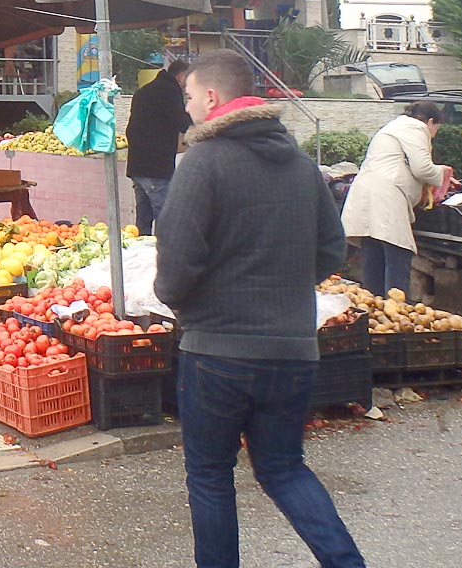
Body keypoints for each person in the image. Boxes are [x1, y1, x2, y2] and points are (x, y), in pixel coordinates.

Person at [154, 51, 364, 568]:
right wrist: (285, 289)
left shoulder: (202, 162)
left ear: (211, 98)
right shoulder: (299, 164)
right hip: (293, 351)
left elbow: (176, 265)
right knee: (285, 469)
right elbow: (332, 249)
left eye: (188, 98)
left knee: (209, 475)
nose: (186, 110)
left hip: (217, 353)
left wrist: (183, 303)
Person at [340, 101, 451, 298]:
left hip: (365, 193)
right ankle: (396, 314)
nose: (434, 135)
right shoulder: (416, 128)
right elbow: (422, 168)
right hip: (386, 196)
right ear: (431, 122)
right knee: (397, 252)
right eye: (436, 129)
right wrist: (442, 172)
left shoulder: (393, 126)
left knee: (373, 254)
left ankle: (373, 313)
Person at [124, 59, 191, 235]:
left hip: (137, 165)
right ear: (181, 76)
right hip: (156, 168)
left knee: (143, 221)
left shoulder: (145, 91)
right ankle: (163, 259)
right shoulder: (169, 92)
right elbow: (183, 123)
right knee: (166, 219)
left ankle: (140, 257)